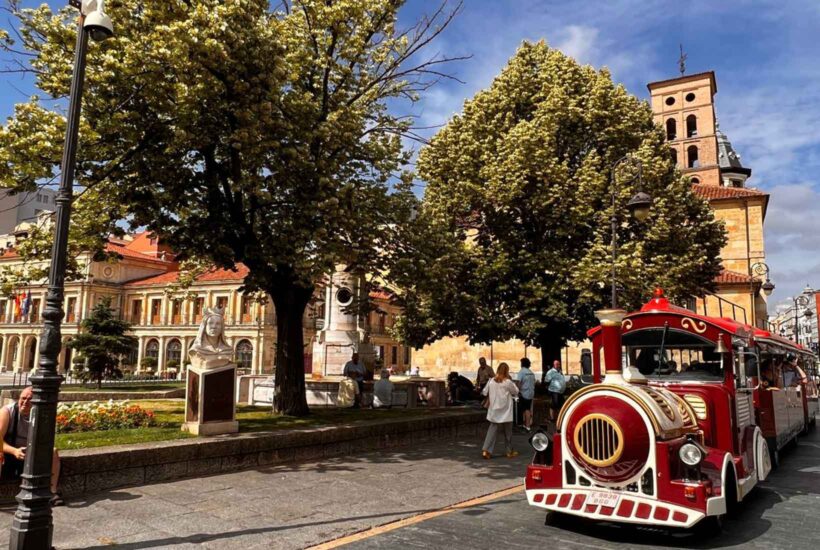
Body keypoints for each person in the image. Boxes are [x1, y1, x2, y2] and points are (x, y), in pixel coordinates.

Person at [0, 387, 63, 506]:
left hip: (29, 453)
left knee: (53, 452)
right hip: (9, 452)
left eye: (30, 400)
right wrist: (14, 451)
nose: (25, 402)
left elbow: (45, 440)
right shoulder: (7, 412)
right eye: (23, 398)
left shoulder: (41, 414)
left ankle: (52, 492)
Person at [481, 363, 519, 459]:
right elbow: (516, 391)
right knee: (508, 431)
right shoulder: (507, 382)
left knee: (492, 429)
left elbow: (484, 392)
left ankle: (486, 450)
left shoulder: (491, 381)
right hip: (506, 409)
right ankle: (509, 451)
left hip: (494, 409)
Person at [516, 358, 536, 431]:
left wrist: (516, 391)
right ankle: (526, 424)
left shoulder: (521, 372)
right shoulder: (531, 372)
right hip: (530, 393)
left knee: (526, 409)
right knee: (527, 408)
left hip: (524, 393)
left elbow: (518, 383)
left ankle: (527, 426)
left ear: (522, 364)